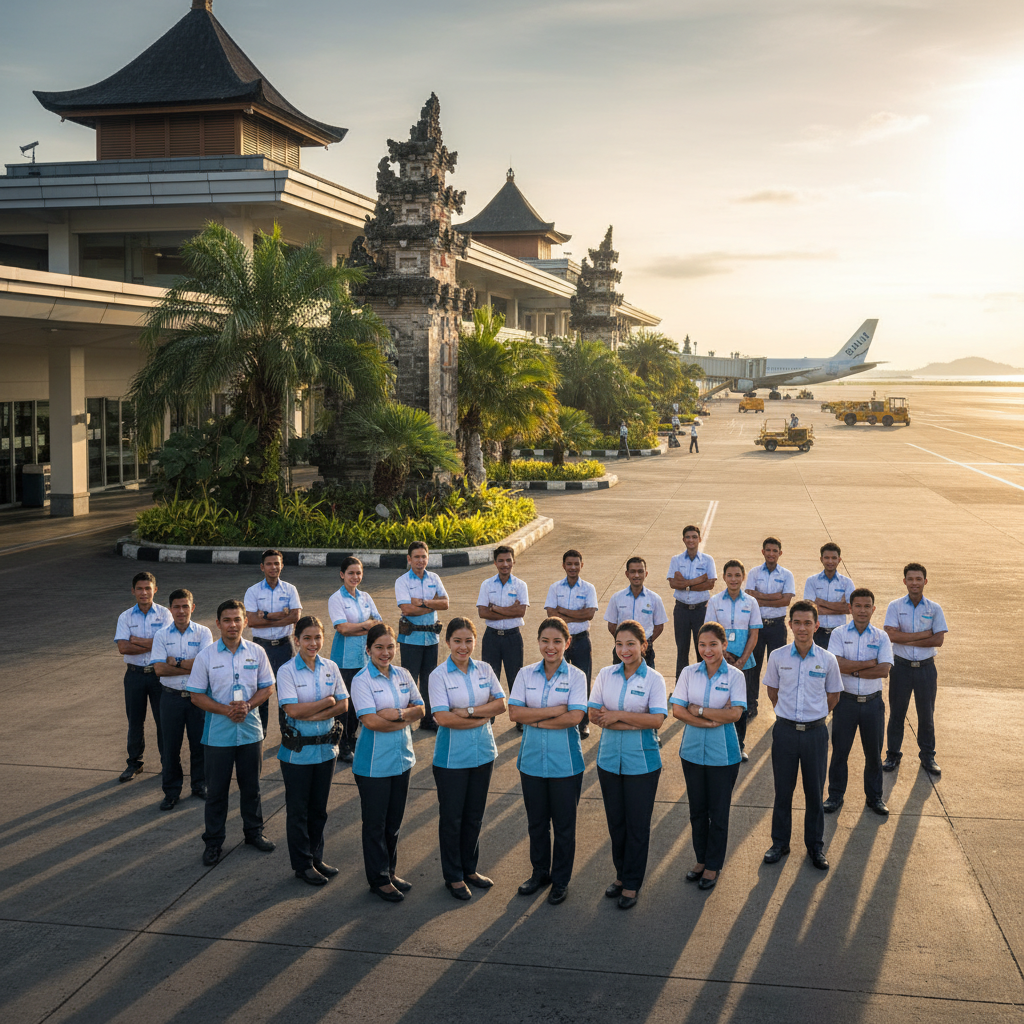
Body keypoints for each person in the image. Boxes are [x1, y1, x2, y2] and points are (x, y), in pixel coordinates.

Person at [187, 600, 276, 866]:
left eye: (237, 619)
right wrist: (226, 710)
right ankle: (213, 842)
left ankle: (254, 833)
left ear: (245, 622)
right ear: (218, 624)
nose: (233, 625)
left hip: (250, 732)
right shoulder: (206, 656)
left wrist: (248, 705)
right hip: (218, 736)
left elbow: (267, 687)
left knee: (252, 787)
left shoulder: (257, 652)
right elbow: (196, 696)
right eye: (227, 620)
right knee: (216, 792)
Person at [508, 618, 588, 905]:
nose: (550, 647)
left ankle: (560, 880)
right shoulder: (525, 674)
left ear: (567, 643)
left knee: (564, 826)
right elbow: (515, 713)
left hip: (565, 764)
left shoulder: (577, 676)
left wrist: (535, 719)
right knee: (537, 823)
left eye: (557, 641)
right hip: (531, 762)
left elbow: (575, 717)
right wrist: (554, 712)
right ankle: (539, 872)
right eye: (545, 641)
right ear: (538, 642)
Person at [428, 618, 508, 901]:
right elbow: (443, 718)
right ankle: (454, 876)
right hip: (452, 759)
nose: (463, 647)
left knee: (474, 816)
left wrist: (469, 711)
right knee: (453, 818)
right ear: (448, 642)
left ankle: (469, 869)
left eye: (468, 641)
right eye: (457, 641)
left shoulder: (485, 669)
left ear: (475, 641)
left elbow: (501, 704)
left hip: (483, 753)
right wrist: (481, 717)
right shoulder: (438, 675)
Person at [589, 621, 667, 909]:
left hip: (642, 763)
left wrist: (616, 716)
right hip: (609, 760)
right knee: (617, 824)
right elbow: (594, 714)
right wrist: (633, 722)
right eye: (619, 644)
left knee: (637, 826)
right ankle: (621, 875)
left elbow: (656, 719)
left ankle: (632, 884)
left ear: (644, 646)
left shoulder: (654, 679)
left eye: (631, 644)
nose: (624, 650)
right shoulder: (605, 675)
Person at [762, 601, 842, 871]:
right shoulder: (778, 657)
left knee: (814, 793)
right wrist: (787, 715)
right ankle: (779, 843)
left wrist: (814, 716)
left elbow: (833, 696)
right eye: (797, 622)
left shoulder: (828, 659)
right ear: (790, 625)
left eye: (808, 623)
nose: (802, 628)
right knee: (783, 792)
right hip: (784, 732)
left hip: (815, 734)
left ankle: (815, 846)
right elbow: (772, 692)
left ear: (816, 625)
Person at [350, 623, 425, 902]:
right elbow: (371, 722)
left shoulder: (403, 674)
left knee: (393, 822)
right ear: (368, 649)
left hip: (401, 759)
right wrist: (405, 716)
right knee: (375, 824)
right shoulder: (361, 680)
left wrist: (396, 715)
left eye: (390, 647)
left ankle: (390, 871)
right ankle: (378, 879)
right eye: (379, 647)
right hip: (373, 764)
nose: (385, 653)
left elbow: (421, 709)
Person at [671, 622, 747, 890]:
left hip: (723, 755)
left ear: (724, 645)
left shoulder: (735, 676)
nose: (707, 650)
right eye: (702, 645)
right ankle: (701, 859)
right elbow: (677, 710)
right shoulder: (688, 673)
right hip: (691, 752)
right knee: (697, 812)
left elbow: (735, 714)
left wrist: (699, 711)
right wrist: (712, 719)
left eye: (713, 644)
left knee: (719, 813)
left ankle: (713, 865)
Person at [276, 615, 349, 885]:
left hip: (326, 751)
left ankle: (316, 858)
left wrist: (317, 710)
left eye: (318, 637)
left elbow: (343, 704)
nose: (313, 643)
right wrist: (327, 702)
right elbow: (292, 710)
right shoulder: (287, 671)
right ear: (296, 640)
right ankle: (303, 864)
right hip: (297, 753)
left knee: (319, 810)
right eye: (307, 638)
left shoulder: (331, 667)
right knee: (299, 811)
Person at [825, 590, 894, 816]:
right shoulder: (838, 633)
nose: (862, 610)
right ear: (850, 608)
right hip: (845, 703)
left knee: (873, 755)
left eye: (867, 606)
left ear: (873, 609)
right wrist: (868, 664)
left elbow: (883, 670)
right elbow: (836, 665)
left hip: (873, 704)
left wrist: (852, 668)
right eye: (858, 606)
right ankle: (835, 796)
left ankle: (874, 797)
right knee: (840, 753)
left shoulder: (881, 637)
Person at [883, 563, 948, 778]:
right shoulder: (894, 606)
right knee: (897, 714)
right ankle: (892, 754)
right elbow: (891, 636)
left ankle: (928, 756)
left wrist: (905, 638)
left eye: (918, 579)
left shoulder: (934, 608)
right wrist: (923, 635)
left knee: (926, 715)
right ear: (904, 581)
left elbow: (938, 640)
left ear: (925, 581)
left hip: (925, 669)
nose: (914, 583)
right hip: (901, 668)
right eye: (910, 579)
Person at [152, 589, 213, 809]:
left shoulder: (203, 633)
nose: (181, 611)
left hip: (197, 699)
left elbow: (205, 667)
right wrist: (190, 666)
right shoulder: (161, 635)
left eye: (185, 606)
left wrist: (175, 663)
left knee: (199, 745)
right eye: (176, 607)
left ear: (192, 607)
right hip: (171, 698)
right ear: (170, 609)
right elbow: (159, 669)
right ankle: (171, 791)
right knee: (170, 748)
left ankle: (200, 785)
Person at [114, 571, 173, 783]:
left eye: (148, 588)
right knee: (135, 721)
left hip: (158, 676)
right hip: (134, 675)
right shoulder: (125, 616)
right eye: (139, 588)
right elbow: (123, 647)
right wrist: (154, 643)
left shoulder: (165, 614)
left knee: (163, 721)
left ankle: (168, 764)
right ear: (133, 591)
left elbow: (167, 645)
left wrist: (136, 640)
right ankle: (134, 763)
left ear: (155, 590)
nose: (144, 592)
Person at [705, 561, 762, 762]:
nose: (734, 579)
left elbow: (754, 634)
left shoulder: (751, 602)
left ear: (743, 577)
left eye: (737, 575)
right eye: (729, 575)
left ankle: (739, 746)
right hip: (719, 662)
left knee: (739, 706)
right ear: (724, 577)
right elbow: (710, 632)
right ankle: (717, 746)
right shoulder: (714, 601)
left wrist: (742, 661)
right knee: (718, 704)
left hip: (744, 664)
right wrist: (723, 656)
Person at [327, 556, 382, 763]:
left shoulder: (366, 597)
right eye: (351, 573)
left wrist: (359, 628)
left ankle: (352, 739)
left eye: (358, 573)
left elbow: (378, 623)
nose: (355, 577)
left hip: (365, 660)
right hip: (344, 660)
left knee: (360, 703)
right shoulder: (336, 599)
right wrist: (366, 626)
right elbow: (342, 628)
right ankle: (341, 745)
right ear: (342, 575)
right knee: (345, 706)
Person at [244, 549, 301, 735]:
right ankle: (260, 733)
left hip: (285, 646)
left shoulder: (290, 589)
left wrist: (266, 616)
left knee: (287, 692)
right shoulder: (253, 591)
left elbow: (295, 616)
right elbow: (252, 621)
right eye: (269, 564)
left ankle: (288, 733)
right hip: (261, 647)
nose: (273, 567)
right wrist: (281, 615)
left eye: (277, 563)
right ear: (262, 567)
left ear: (282, 566)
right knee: (261, 691)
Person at [545, 549, 599, 737]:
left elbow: (589, 614)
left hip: (581, 640)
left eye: (576, 564)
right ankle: (558, 718)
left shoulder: (589, 588)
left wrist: (563, 612)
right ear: (563, 565)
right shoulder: (555, 588)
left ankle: (582, 723)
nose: (573, 567)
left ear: (581, 565)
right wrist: (576, 614)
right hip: (559, 642)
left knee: (582, 681)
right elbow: (551, 614)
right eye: (569, 564)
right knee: (556, 680)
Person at [396, 541, 449, 732]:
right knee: (409, 681)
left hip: (431, 638)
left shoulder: (434, 578)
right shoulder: (402, 581)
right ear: (409, 559)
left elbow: (445, 603)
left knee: (429, 681)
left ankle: (427, 720)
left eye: (423, 556)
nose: (420, 560)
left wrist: (423, 603)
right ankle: (407, 721)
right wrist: (432, 604)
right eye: (416, 557)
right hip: (411, 638)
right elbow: (407, 609)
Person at [477, 546, 530, 724]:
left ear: (514, 561)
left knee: (515, 678)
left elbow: (521, 611)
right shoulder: (486, 584)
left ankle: (519, 719)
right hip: (491, 637)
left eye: (508, 560)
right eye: (501, 560)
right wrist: (510, 610)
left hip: (512, 637)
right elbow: (482, 613)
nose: (505, 564)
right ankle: (489, 718)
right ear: (495, 562)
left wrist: (496, 608)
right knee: (489, 679)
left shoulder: (520, 585)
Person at [745, 537, 795, 720]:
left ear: (780, 553)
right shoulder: (754, 572)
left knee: (779, 669)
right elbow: (750, 598)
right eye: (768, 550)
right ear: (763, 552)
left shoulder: (787, 575)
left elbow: (786, 601)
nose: (771, 554)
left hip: (777, 627)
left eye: (775, 551)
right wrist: (774, 596)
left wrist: (761, 597)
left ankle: (780, 709)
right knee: (753, 668)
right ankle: (751, 706)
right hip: (757, 627)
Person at [667, 524, 717, 678]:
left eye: (694, 537)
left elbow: (710, 584)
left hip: (701, 611)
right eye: (688, 537)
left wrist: (685, 584)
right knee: (682, 649)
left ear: (699, 539)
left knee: (702, 649)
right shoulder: (676, 560)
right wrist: (698, 580)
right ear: (683, 539)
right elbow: (673, 583)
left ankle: (702, 682)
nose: (691, 540)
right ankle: (681, 685)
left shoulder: (707, 560)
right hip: (681, 610)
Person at [604, 557, 668, 669]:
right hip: (622, 651)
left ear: (646, 574)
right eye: (633, 571)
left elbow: (659, 626)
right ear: (627, 574)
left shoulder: (654, 599)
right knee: (620, 678)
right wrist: (623, 642)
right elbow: (611, 625)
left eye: (640, 571)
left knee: (646, 678)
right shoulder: (617, 598)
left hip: (645, 651)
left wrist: (645, 643)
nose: (636, 575)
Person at [803, 542, 855, 648]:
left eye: (834, 558)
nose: (830, 561)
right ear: (821, 559)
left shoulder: (847, 582)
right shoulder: (812, 581)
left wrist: (821, 602)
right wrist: (840, 607)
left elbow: (850, 609)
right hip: (817, 632)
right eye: (826, 558)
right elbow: (810, 609)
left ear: (839, 560)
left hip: (839, 632)